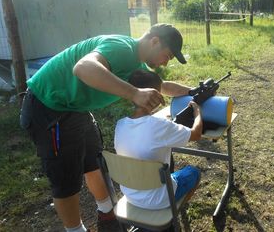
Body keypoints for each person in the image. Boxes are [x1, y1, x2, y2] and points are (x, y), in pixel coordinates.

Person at [19, 23, 192, 232]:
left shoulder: (136, 63)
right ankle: (75, 230)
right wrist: (134, 93)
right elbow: (83, 68)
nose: (165, 61)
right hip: (48, 107)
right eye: (168, 55)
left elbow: (162, 87)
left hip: (76, 108)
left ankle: (107, 215)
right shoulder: (121, 47)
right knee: (65, 179)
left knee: (93, 162)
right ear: (154, 41)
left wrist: (193, 91)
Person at [114, 70, 202, 210]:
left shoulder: (120, 125)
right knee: (194, 172)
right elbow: (196, 134)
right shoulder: (160, 126)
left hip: (131, 195)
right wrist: (198, 113)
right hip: (161, 199)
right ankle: (174, 212)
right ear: (155, 95)